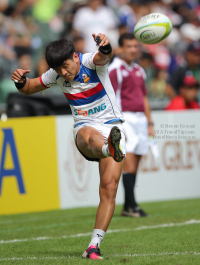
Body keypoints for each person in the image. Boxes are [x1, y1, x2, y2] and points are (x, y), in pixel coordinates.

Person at [11, 33, 126, 260]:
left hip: (113, 126)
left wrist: (106, 47)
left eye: (65, 66)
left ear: (75, 57)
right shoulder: (56, 74)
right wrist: (20, 81)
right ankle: (108, 149)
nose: (64, 73)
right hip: (86, 129)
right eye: (58, 69)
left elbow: (104, 57)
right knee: (87, 135)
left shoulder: (89, 62)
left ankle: (93, 246)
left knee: (109, 188)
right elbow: (30, 87)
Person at [109, 33, 154, 217]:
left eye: (135, 46)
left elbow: (144, 98)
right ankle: (131, 205)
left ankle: (129, 205)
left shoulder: (139, 69)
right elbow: (112, 98)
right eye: (129, 46)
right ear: (120, 49)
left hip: (140, 120)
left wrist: (150, 122)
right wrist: (118, 124)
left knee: (136, 161)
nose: (133, 50)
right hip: (125, 118)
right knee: (129, 162)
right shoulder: (115, 69)